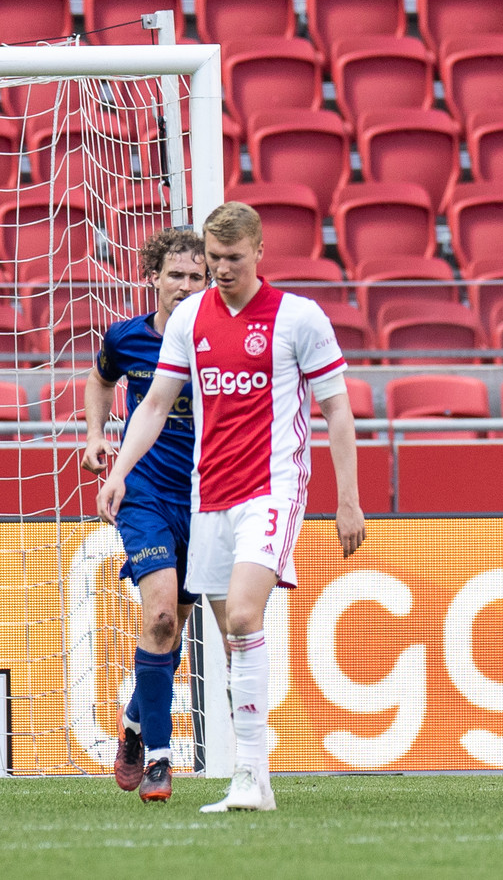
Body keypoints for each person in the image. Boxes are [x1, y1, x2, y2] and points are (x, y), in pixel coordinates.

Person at [96, 202, 366, 813]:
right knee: (221, 631)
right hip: (206, 493)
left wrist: (348, 500)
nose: (219, 270)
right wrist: (119, 470)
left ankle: (248, 775)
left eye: (231, 260)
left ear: (259, 253)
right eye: (213, 259)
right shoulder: (189, 318)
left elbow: (337, 409)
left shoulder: (299, 318)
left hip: (272, 486)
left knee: (242, 617)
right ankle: (252, 778)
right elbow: (155, 404)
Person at [83, 228, 208, 802]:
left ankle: (134, 723)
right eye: (175, 275)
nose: (184, 286)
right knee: (158, 614)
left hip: (206, 498)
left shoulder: (218, 342)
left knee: (172, 626)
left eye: (196, 276)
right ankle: (160, 756)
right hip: (144, 493)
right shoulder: (127, 338)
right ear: (152, 277)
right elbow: (101, 379)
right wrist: (95, 437)